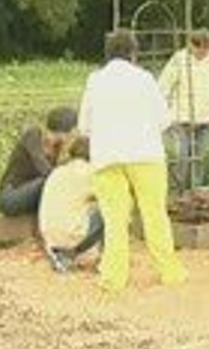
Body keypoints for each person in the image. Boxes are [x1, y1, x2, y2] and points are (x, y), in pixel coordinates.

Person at [78, 29, 186, 292]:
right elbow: (164, 119)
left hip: (106, 157)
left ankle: (113, 278)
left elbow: (84, 126)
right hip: (145, 154)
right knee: (154, 214)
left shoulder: (95, 80)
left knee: (115, 220)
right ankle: (170, 272)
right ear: (133, 53)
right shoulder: (145, 79)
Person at [158, 28, 209, 194]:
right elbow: (164, 87)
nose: (202, 52)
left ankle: (196, 192)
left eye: (205, 48)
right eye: (198, 48)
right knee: (182, 157)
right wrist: (166, 112)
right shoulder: (179, 60)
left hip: (207, 120)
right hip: (181, 119)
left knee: (200, 158)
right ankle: (178, 192)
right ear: (191, 45)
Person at [39, 136, 104, 273]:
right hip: (71, 234)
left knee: (79, 206)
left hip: (49, 236)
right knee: (111, 209)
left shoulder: (58, 171)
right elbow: (108, 197)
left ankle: (62, 254)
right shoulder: (90, 172)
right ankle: (106, 261)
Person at [0, 107, 77, 217]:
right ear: (63, 133)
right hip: (12, 196)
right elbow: (44, 169)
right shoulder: (33, 136)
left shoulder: (59, 147)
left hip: (34, 196)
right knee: (50, 180)